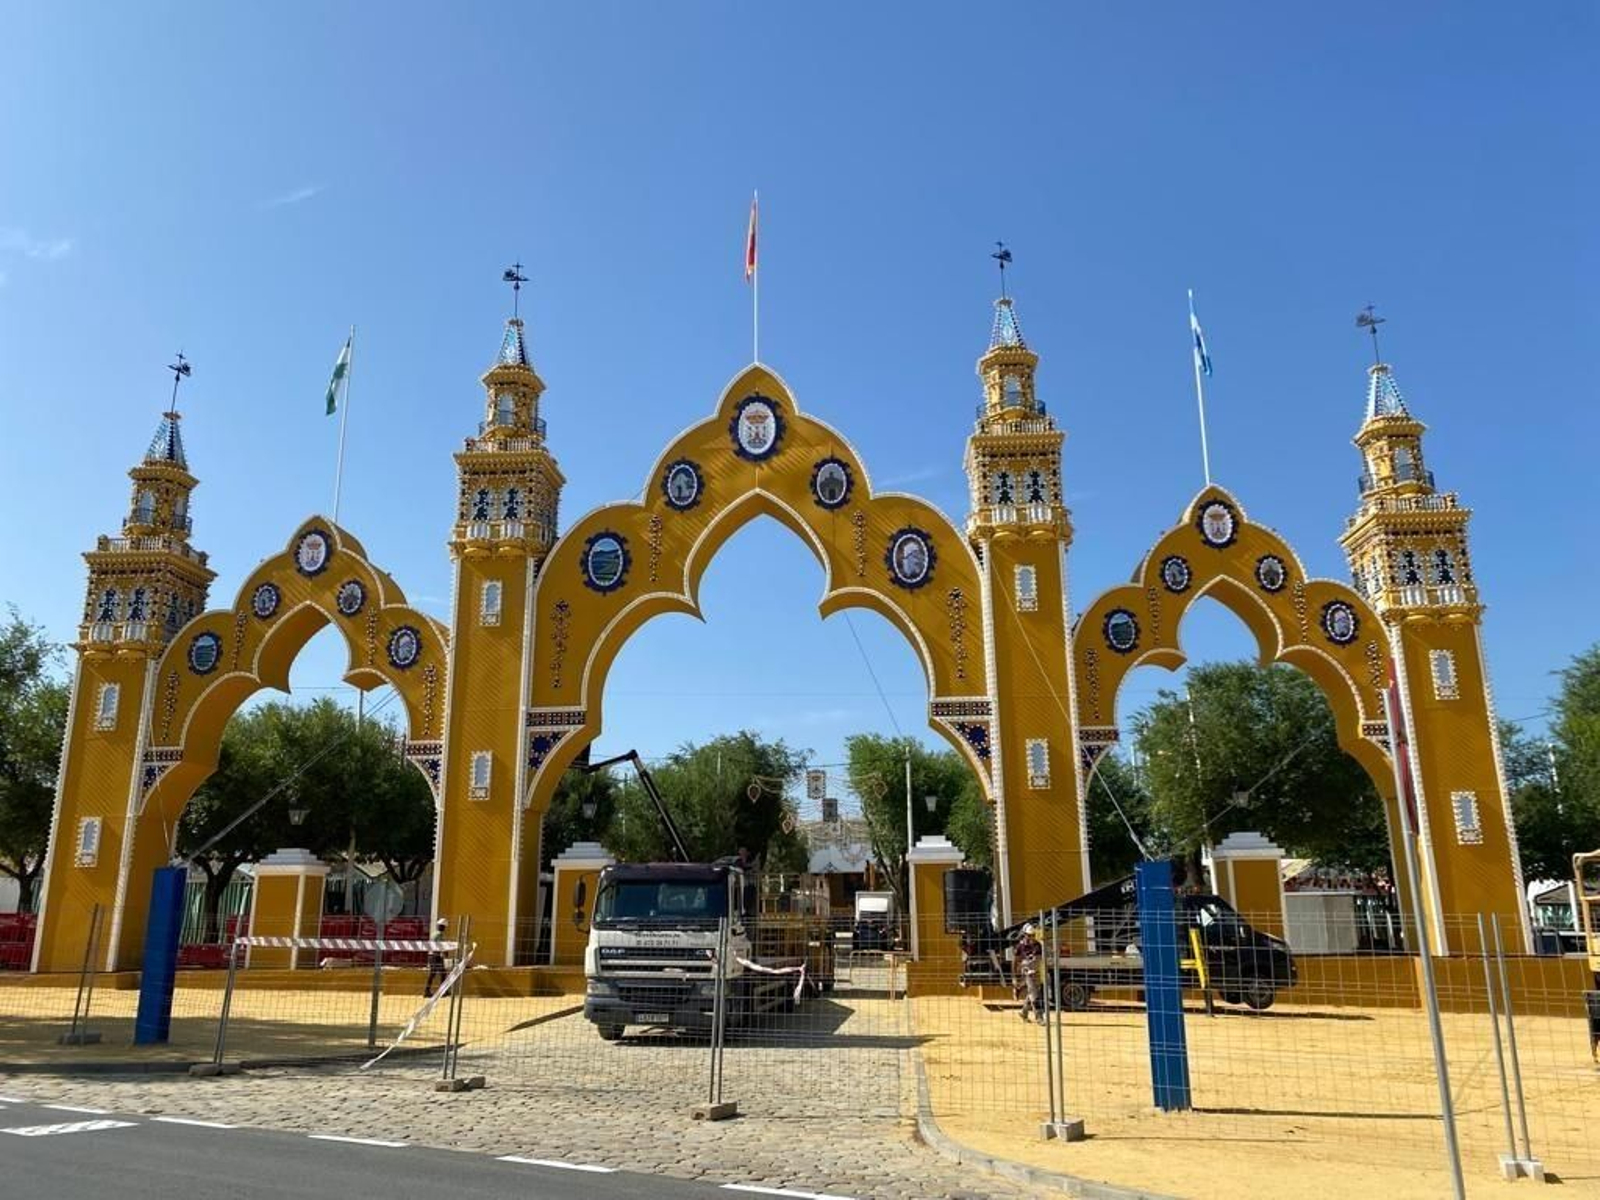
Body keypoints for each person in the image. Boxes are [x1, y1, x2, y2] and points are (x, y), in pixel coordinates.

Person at [1013, 923, 1043, 1022]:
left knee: (1032, 992)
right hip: (1027, 973)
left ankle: (1023, 1012)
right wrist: (1014, 977)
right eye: (1029, 935)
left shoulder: (1038, 945)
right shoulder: (1020, 946)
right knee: (1034, 994)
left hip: (1036, 971)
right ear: (1025, 934)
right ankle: (1039, 1017)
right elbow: (1015, 961)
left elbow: (1038, 959)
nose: (1032, 937)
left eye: (1033, 935)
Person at [423, 917, 450, 998]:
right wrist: (445, 953)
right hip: (436, 956)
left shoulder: (433, 934)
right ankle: (441, 991)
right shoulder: (439, 935)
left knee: (434, 973)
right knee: (441, 973)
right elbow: (441, 946)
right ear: (443, 927)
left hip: (432, 956)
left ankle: (428, 991)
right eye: (443, 926)